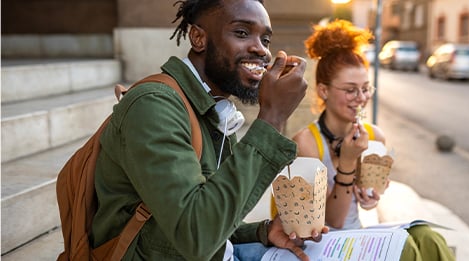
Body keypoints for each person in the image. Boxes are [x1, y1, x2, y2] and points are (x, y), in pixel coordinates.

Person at [90, 0, 328, 260]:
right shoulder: (153, 107)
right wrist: (271, 118)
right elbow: (195, 233)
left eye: (266, 39)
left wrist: (262, 231)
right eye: (241, 33)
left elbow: (210, 212)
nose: (261, 50)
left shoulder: (214, 109)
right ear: (198, 37)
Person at [290, 19, 456, 260]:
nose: (360, 98)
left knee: (427, 235)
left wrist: (370, 196)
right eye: (350, 90)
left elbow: (368, 202)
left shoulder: (374, 136)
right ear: (324, 91)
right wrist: (347, 163)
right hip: (323, 245)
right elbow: (333, 220)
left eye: (366, 88)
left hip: (357, 234)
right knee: (405, 246)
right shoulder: (306, 142)